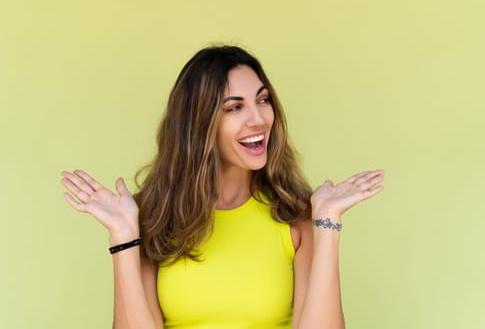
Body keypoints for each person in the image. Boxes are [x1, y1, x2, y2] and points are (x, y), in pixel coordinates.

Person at [60, 45, 385, 329]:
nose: (259, 119)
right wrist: (123, 237)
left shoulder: (295, 217)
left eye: (263, 100)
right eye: (234, 107)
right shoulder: (154, 217)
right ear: (199, 123)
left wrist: (327, 223)